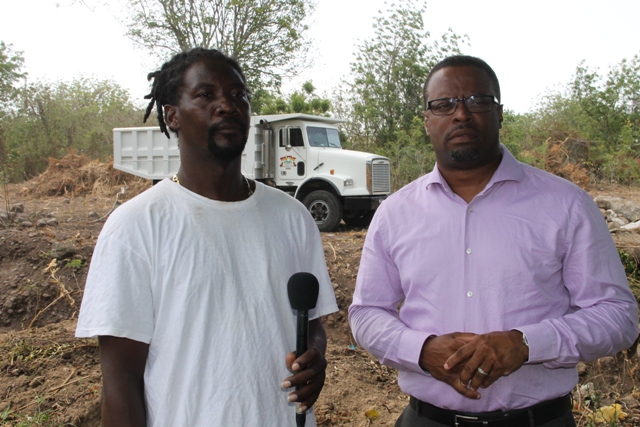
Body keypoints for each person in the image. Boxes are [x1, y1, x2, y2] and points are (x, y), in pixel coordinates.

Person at [349, 55, 639, 427]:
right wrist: (422, 351)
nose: (461, 114)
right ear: (426, 121)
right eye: (444, 104)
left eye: (477, 101)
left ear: (500, 114)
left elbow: (618, 316)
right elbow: (366, 313)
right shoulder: (395, 213)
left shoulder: (566, 205)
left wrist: (527, 344)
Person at [76, 47, 338, 427]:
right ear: (172, 115)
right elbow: (120, 382)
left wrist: (316, 357)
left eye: (238, 95)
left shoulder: (293, 217)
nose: (227, 106)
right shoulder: (135, 226)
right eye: (206, 95)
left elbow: (311, 324)